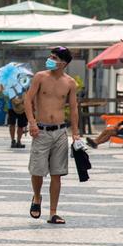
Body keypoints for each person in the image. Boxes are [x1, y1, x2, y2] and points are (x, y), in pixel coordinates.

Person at [26, 46, 80, 224]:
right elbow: (28, 99)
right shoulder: (40, 77)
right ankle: (36, 197)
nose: (50, 59)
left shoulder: (70, 83)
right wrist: (32, 123)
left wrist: (76, 133)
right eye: (50, 56)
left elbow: (73, 109)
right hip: (41, 130)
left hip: (60, 131)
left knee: (57, 173)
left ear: (63, 63)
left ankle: (53, 212)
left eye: (54, 57)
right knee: (37, 170)